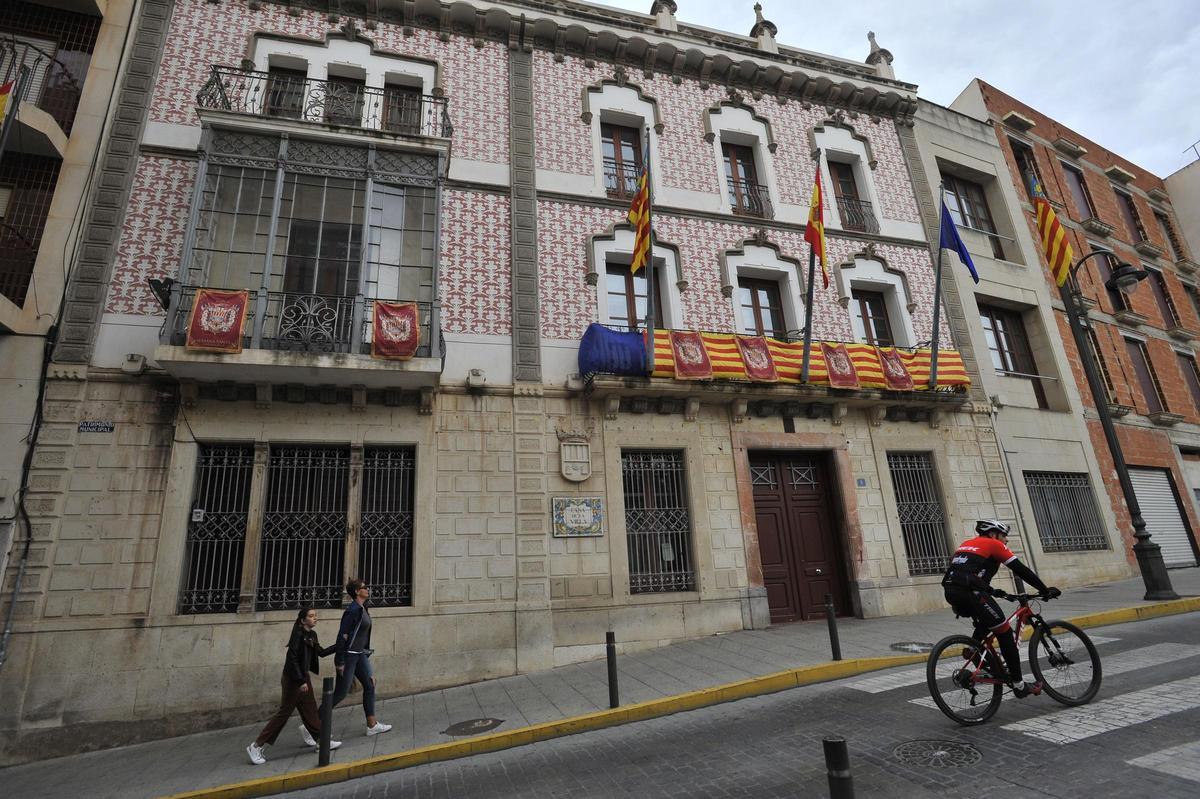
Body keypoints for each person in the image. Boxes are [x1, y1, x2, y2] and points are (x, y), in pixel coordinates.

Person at [941, 519, 1061, 698]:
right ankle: (1019, 685)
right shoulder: (994, 544)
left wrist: (995, 592)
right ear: (993, 534)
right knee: (1004, 632)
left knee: (987, 622)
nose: (1006, 540)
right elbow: (1021, 570)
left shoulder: (966, 544)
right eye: (1004, 536)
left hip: (951, 592)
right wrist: (1044, 589)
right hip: (971, 593)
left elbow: (969, 573)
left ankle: (975, 651)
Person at [247, 607, 342, 765]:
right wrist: (300, 681)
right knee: (284, 713)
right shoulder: (298, 635)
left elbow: (321, 652)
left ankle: (321, 741)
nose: (315, 618)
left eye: (315, 616)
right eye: (311, 616)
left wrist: (340, 645)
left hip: (303, 677)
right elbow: (292, 660)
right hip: (293, 679)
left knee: (310, 709)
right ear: (303, 620)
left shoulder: (312, 635)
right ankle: (256, 746)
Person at [331, 578, 392, 736]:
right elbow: (342, 636)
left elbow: (362, 635)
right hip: (349, 656)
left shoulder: (363, 607)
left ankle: (372, 725)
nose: (368, 589)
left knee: (370, 685)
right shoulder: (352, 611)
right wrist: (340, 661)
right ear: (357, 592)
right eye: (364, 587)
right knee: (341, 693)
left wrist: (365, 652)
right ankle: (313, 725)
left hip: (360, 654)